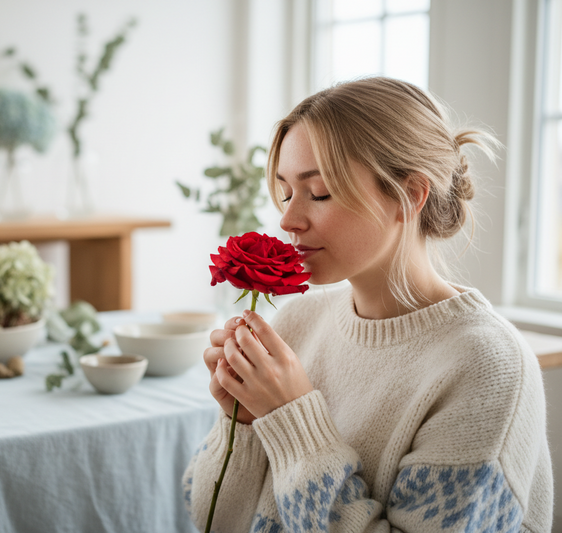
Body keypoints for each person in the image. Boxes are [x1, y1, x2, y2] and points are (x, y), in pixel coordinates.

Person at [183, 77, 552, 533]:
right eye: (284, 191)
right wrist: (239, 421)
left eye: (318, 193)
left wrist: (293, 421)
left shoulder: (487, 367)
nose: (288, 219)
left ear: (410, 196)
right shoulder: (298, 322)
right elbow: (210, 518)